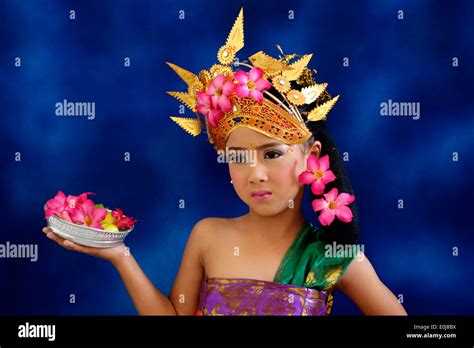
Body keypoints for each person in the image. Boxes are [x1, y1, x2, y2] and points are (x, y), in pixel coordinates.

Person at [43, 8, 406, 316]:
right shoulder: (209, 236)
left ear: (311, 158)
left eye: (272, 154)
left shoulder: (332, 257)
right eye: (237, 158)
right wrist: (120, 256)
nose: (255, 174)